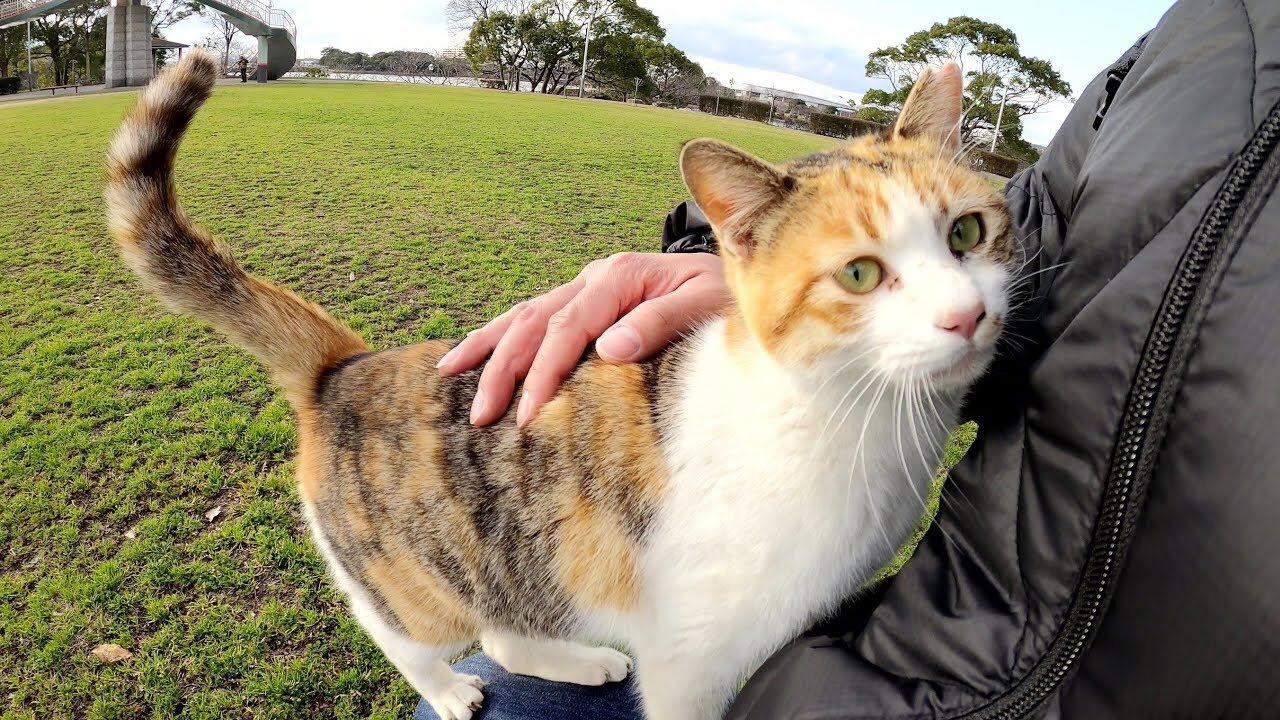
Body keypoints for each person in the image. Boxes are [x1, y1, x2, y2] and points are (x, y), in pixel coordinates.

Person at [421, 0, 1280, 716]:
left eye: (963, 239)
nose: (963, 306)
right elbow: (1053, 211)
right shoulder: (1207, 25)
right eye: (868, 272)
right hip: (927, 623)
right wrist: (743, 267)